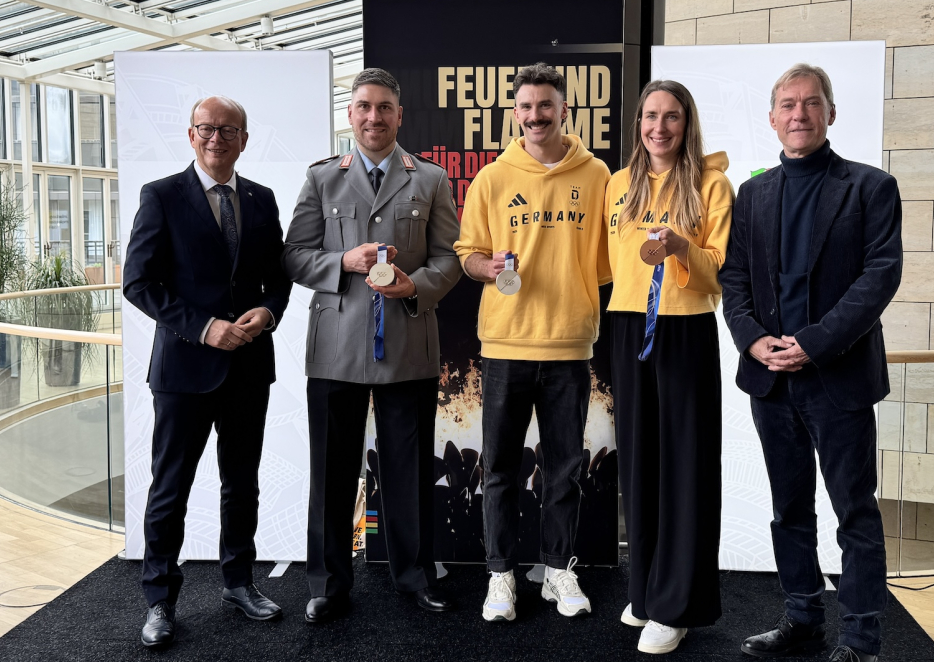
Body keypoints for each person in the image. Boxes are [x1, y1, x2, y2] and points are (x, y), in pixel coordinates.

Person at [719, 64, 902, 662]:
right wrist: (752, 341)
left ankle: (862, 637)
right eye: (788, 105)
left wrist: (814, 342)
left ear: (829, 113)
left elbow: (880, 277)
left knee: (853, 508)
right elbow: (735, 278)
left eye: (811, 103)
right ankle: (802, 618)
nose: (799, 114)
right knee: (787, 509)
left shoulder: (870, 187)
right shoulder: (753, 194)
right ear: (772, 118)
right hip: (771, 381)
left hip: (838, 378)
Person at [283, 68, 463, 623]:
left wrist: (418, 286)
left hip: (407, 342)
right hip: (337, 347)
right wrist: (343, 261)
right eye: (363, 107)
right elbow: (293, 255)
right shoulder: (322, 179)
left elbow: (450, 259)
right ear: (350, 114)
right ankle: (328, 584)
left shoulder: (429, 179)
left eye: (384, 108)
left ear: (399, 115)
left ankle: (414, 577)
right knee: (331, 472)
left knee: (409, 471)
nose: (373, 117)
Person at [122, 95, 293, 648]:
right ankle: (159, 600)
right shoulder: (162, 196)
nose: (216, 137)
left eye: (228, 129)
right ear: (190, 135)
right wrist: (202, 327)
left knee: (241, 485)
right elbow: (139, 283)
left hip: (248, 367)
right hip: (183, 371)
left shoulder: (262, 199)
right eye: (206, 128)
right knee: (170, 488)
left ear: (243, 139)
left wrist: (268, 312)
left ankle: (238, 583)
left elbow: (280, 278)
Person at [454, 62, 612, 623]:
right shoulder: (493, 179)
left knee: (565, 467)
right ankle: (500, 576)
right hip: (504, 345)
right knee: (498, 468)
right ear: (514, 113)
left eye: (545, 105)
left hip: (571, 345)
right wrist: (485, 264)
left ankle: (558, 570)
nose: (535, 115)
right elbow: (466, 254)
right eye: (525, 107)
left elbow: (609, 261)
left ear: (564, 109)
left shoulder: (597, 176)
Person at [604, 80, 732, 654]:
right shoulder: (617, 185)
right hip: (629, 326)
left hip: (684, 329)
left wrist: (681, 246)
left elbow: (719, 272)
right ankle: (647, 588)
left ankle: (677, 604)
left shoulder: (712, 184)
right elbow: (605, 265)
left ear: (687, 123)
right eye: (651, 116)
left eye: (672, 117)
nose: (660, 127)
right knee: (639, 461)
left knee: (685, 465)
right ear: (639, 124)